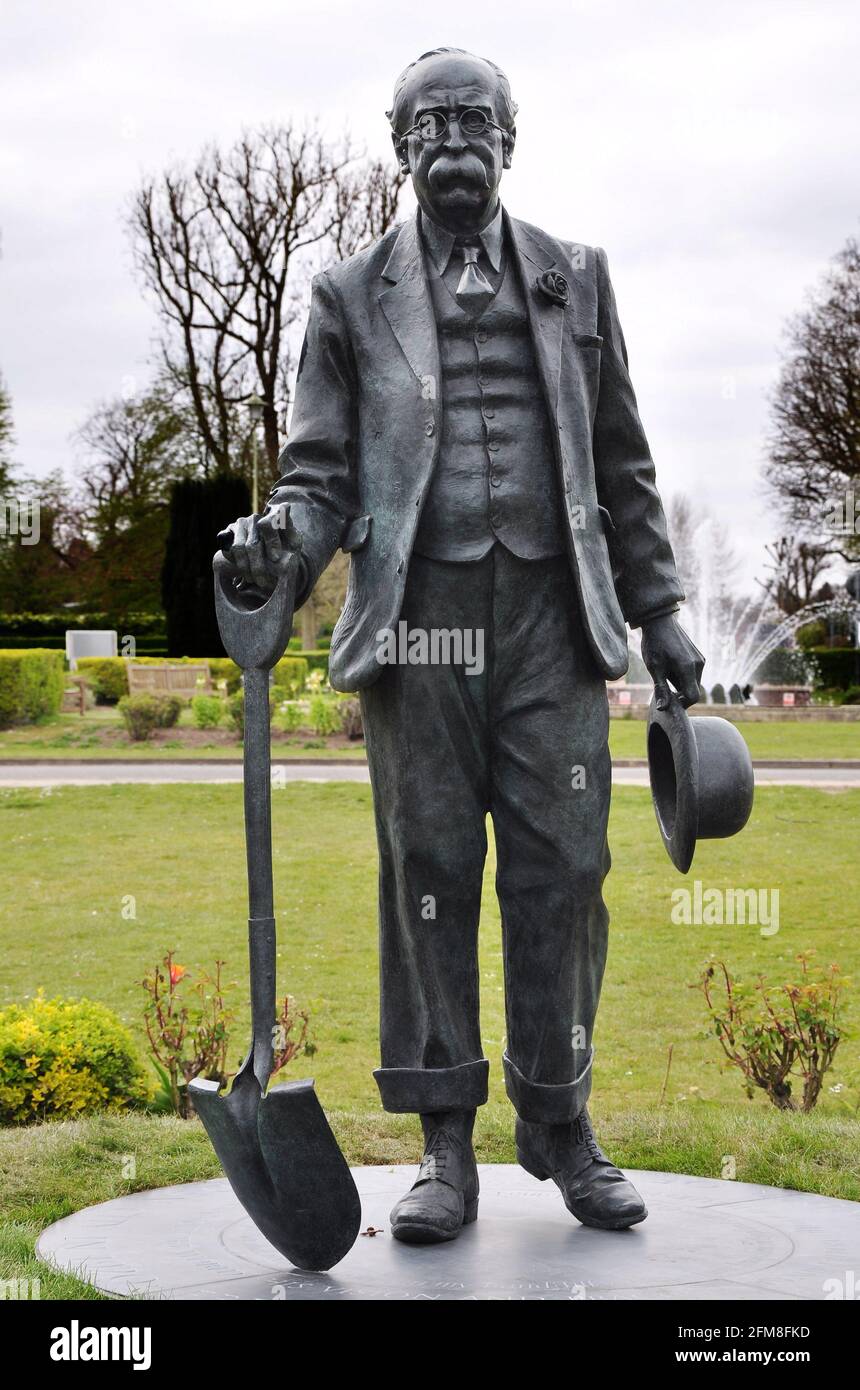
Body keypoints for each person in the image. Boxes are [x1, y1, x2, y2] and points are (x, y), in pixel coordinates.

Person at [223, 47, 704, 1244]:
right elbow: (319, 477)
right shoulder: (346, 297)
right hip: (421, 621)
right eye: (428, 123)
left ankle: (560, 1120)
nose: (452, 141)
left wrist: (660, 610)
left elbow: (622, 462)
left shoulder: (576, 278)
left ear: (508, 137)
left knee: (566, 870)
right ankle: (443, 1145)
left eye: (472, 120)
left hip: (552, 620)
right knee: (427, 874)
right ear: (396, 147)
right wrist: (275, 545)